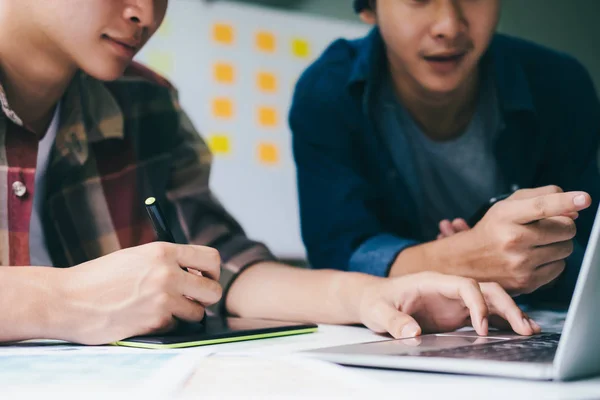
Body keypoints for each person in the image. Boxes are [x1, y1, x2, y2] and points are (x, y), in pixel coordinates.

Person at [0, 0, 541, 345]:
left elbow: (226, 269)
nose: (146, 12)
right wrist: (67, 300)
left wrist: (373, 295)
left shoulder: (146, 105)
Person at [289, 0, 599, 305]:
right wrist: (461, 258)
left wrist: (534, 258)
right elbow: (335, 260)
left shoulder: (560, 85)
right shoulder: (327, 93)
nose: (449, 26)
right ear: (369, 7)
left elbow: (589, 257)